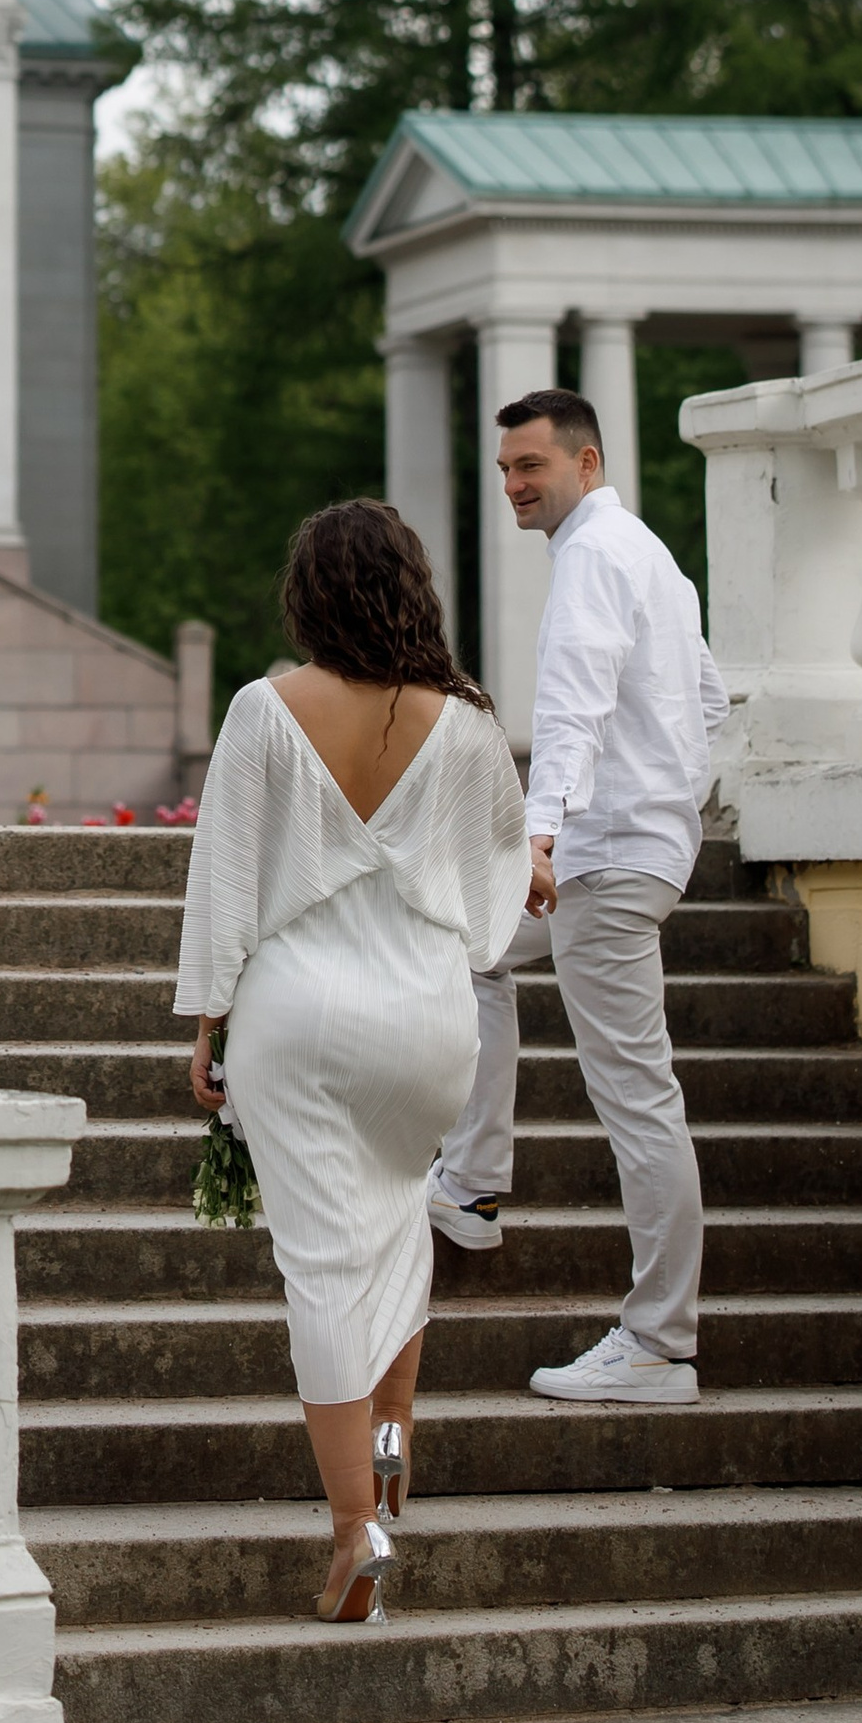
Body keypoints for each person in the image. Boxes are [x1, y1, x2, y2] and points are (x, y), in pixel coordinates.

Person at [177, 499, 528, 1626]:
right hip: (428, 1018)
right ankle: (389, 1438)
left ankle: (349, 1533)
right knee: (394, 1219)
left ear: (307, 596)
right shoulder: (465, 726)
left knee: (323, 1267)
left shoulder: (264, 711)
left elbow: (225, 882)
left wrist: (207, 1022)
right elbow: (499, 882)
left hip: (304, 1014)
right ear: (410, 589)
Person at [426, 384, 724, 1407]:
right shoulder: (646, 553)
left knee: (639, 1096)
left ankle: (658, 1342)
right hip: (631, 841)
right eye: (505, 468)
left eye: (531, 467)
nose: (513, 484)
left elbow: (573, 706)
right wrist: (676, 799)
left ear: (585, 463)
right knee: (473, 950)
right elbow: (709, 695)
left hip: (600, 853)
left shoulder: (594, 557)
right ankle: (470, 1186)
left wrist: (540, 834)